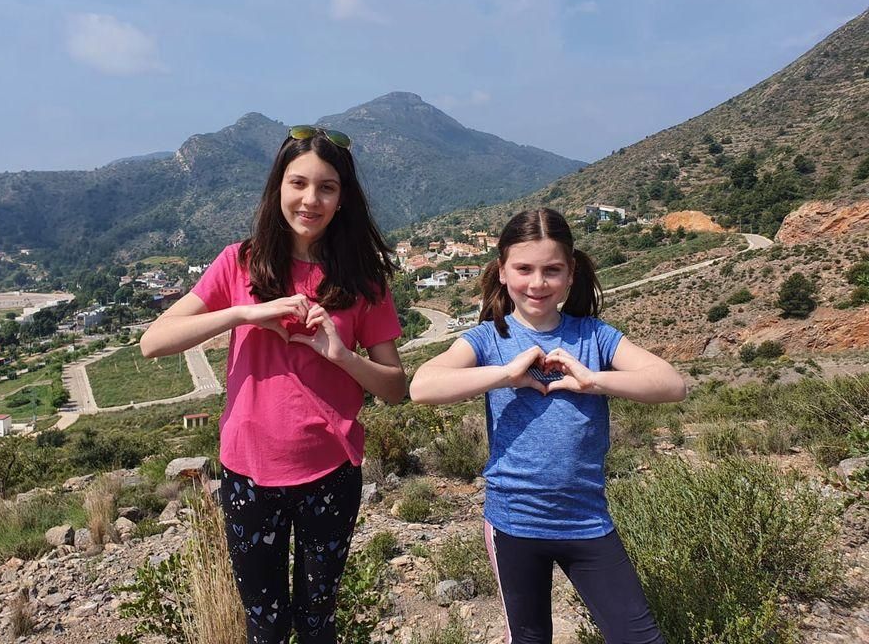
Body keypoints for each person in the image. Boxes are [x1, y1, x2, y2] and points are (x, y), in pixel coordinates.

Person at [140, 124, 405, 644]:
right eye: (298, 183)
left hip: (330, 473)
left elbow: (395, 387)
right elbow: (154, 341)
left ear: (343, 196)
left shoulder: (364, 281)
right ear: (277, 188)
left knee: (317, 620)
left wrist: (339, 354)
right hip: (248, 474)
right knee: (264, 623)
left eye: (327, 187)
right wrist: (245, 313)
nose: (311, 199)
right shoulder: (238, 263)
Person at [410, 207, 685, 644]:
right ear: (502, 271)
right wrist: (506, 373)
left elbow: (671, 384)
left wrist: (593, 380)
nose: (537, 283)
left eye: (552, 270)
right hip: (513, 523)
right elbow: (422, 386)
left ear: (571, 274)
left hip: (587, 521)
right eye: (524, 269)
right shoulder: (488, 339)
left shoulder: (593, 335)